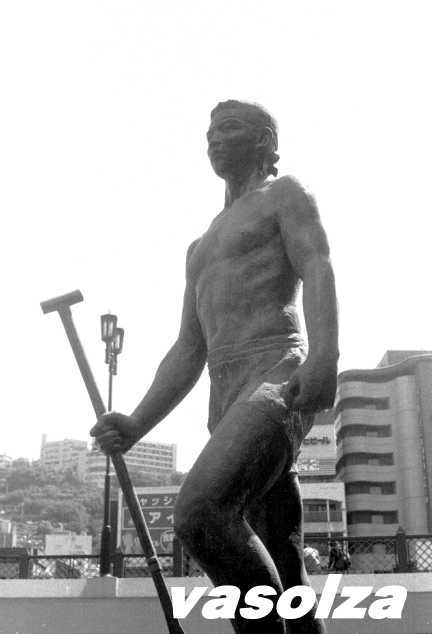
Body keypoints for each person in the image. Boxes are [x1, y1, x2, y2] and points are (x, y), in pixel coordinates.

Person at [91, 100, 339, 633]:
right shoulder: (198, 248)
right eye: (209, 133)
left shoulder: (285, 194)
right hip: (225, 392)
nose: (214, 139)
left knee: (201, 513)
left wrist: (325, 356)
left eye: (229, 128)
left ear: (264, 141)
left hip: (278, 373)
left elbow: (317, 265)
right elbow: (188, 347)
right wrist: (135, 424)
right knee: (284, 560)